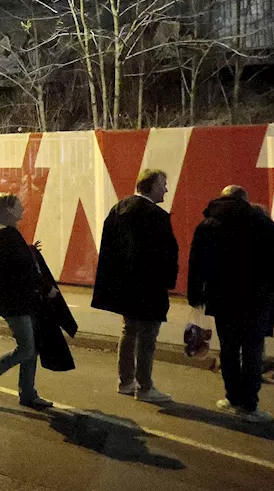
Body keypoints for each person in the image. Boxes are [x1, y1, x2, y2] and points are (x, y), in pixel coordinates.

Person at [188, 185, 274, 423]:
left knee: (229, 349)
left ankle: (231, 398)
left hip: (222, 298)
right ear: (245, 200)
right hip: (256, 299)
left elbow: (197, 264)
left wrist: (196, 295)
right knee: (253, 349)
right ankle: (249, 405)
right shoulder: (262, 223)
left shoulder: (208, 225)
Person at [91, 169, 178, 403]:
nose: (166, 189)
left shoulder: (119, 209)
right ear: (150, 186)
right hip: (149, 286)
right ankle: (145, 387)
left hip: (124, 286)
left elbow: (109, 249)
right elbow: (166, 254)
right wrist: (169, 282)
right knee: (148, 337)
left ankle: (126, 381)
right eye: (163, 184)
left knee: (129, 331)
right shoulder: (155, 215)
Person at [0, 194, 56, 409]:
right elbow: (21, 269)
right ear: (9, 209)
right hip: (16, 302)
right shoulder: (7, 234)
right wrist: (46, 288)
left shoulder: (1, 234)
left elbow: (12, 263)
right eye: (19, 206)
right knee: (27, 348)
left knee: (32, 347)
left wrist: (28, 250)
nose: (23, 209)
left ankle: (28, 394)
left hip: (16, 301)